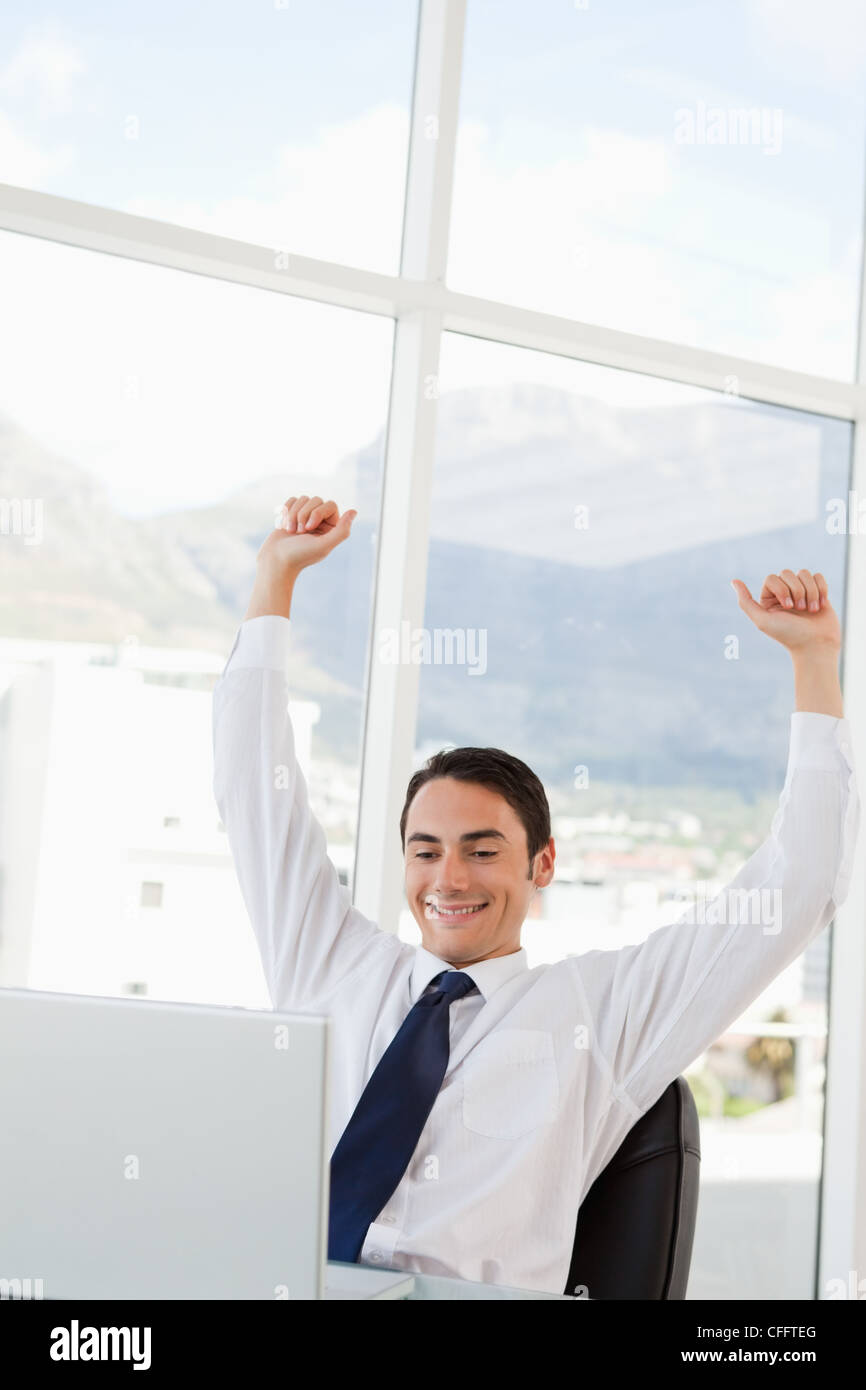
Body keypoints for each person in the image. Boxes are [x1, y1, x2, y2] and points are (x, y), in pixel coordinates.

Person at [212, 495, 860, 1297]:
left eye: (483, 852)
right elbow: (254, 795)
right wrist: (275, 579)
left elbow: (798, 886)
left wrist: (814, 663)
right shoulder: (332, 966)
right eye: (427, 851)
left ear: (542, 864)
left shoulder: (602, 1012)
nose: (449, 879)